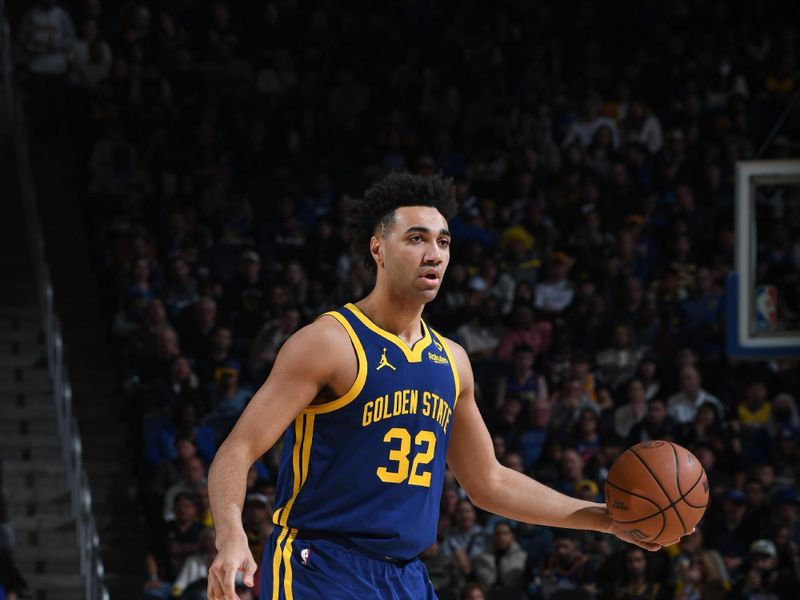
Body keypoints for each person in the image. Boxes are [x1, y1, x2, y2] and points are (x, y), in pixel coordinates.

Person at [206, 172, 684, 600]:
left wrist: (604, 518)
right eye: (416, 238)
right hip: (322, 566)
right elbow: (238, 449)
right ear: (378, 247)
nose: (434, 253)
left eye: (443, 241)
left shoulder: (452, 361)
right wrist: (230, 535)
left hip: (408, 577)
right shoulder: (329, 342)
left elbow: (488, 482)